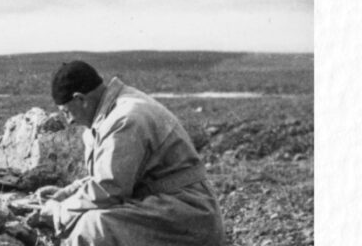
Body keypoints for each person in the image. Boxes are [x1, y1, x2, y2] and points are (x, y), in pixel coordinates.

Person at [39, 60, 225, 245]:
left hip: (189, 213)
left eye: (66, 112)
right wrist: (68, 193)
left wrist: (59, 211)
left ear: (81, 99)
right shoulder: (109, 113)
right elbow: (109, 177)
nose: (69, 121)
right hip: (169, 206)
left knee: (93, 228)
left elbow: (109, 190)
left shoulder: (124, 119)